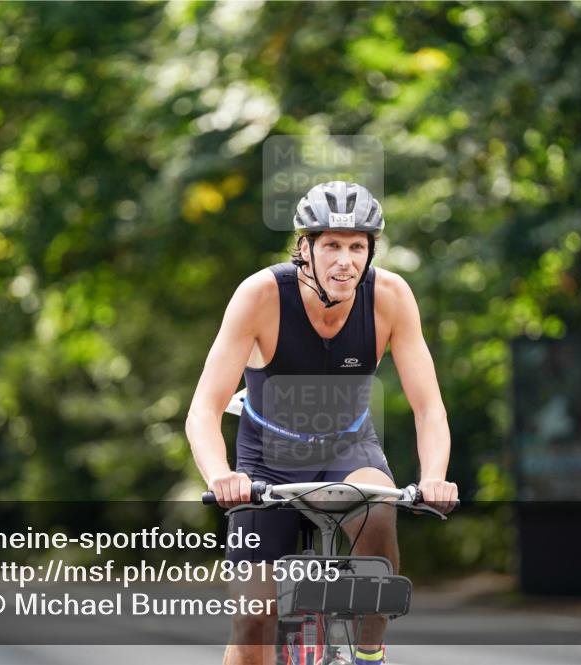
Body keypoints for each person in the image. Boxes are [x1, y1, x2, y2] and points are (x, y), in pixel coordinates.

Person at [186, 181, 459, 665]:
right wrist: (221, 476)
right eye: (332, 245)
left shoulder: (390, 296)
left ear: (371, 251)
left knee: (379, 507)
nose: (345, 261)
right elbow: (204, 409)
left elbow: (429, 407)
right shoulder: (261, 295)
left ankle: (369, 651)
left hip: (348, 449)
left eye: (357, 247)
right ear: (305, 248)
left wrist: (434, 477)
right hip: (266, 459)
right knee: (253, 619)